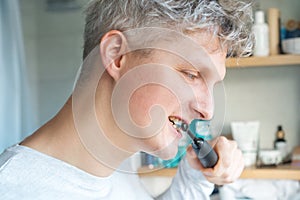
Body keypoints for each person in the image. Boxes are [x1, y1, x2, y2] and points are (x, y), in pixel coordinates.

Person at [0, 0, 254, 199]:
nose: (207, 110)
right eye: (190, 74)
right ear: (117, 55)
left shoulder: (117, 166)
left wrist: (195, 179)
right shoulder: (15, 191)